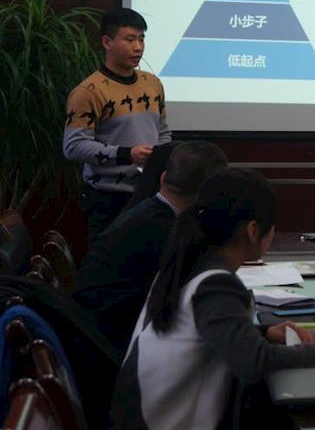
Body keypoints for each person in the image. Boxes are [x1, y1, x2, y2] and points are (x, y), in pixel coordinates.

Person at [108, 169, 315, 430]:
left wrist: (262, 334)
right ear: (253, 230)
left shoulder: (188, 263)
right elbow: (253, 363)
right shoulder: (215, 284)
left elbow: (204, 333)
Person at [73, 140, 228, 352]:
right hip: (112, 347)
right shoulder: (166, 232)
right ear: (210, 194)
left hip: (90, 335)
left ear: (163, 177)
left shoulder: (146, 214)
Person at [63, 7, 171, 242]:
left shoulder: (152, 83)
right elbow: (73, 146)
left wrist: (160, 161)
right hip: (107, 199)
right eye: (129, 39)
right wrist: (126, 154)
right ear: (107, 42)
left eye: (142, 39)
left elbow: (163, 132)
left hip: (149, 194)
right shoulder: (88, 91)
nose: (138, 47)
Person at [123, 141, 179, 211]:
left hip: (153, 183)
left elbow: (163, 135)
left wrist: (162, 152)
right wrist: (125, 153)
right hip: (117, 189)